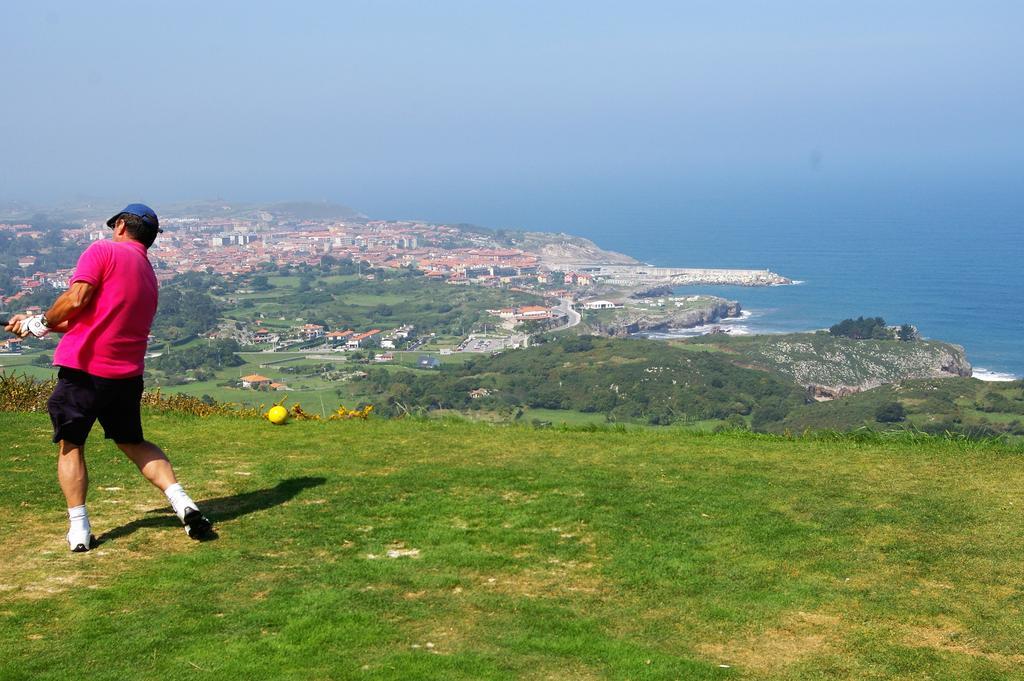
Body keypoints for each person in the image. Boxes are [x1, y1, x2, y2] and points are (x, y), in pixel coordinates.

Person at [5, 204, 213, 552]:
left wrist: (40, 322)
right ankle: (183, 503)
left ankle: (79, 531)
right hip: (125, 376)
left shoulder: (102, 250)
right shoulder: (147, 273)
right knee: (133, 443)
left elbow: (77, 298)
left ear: (119, 226)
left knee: (71, 446)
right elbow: (89, 320)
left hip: (84, 372)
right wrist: (33, 325)